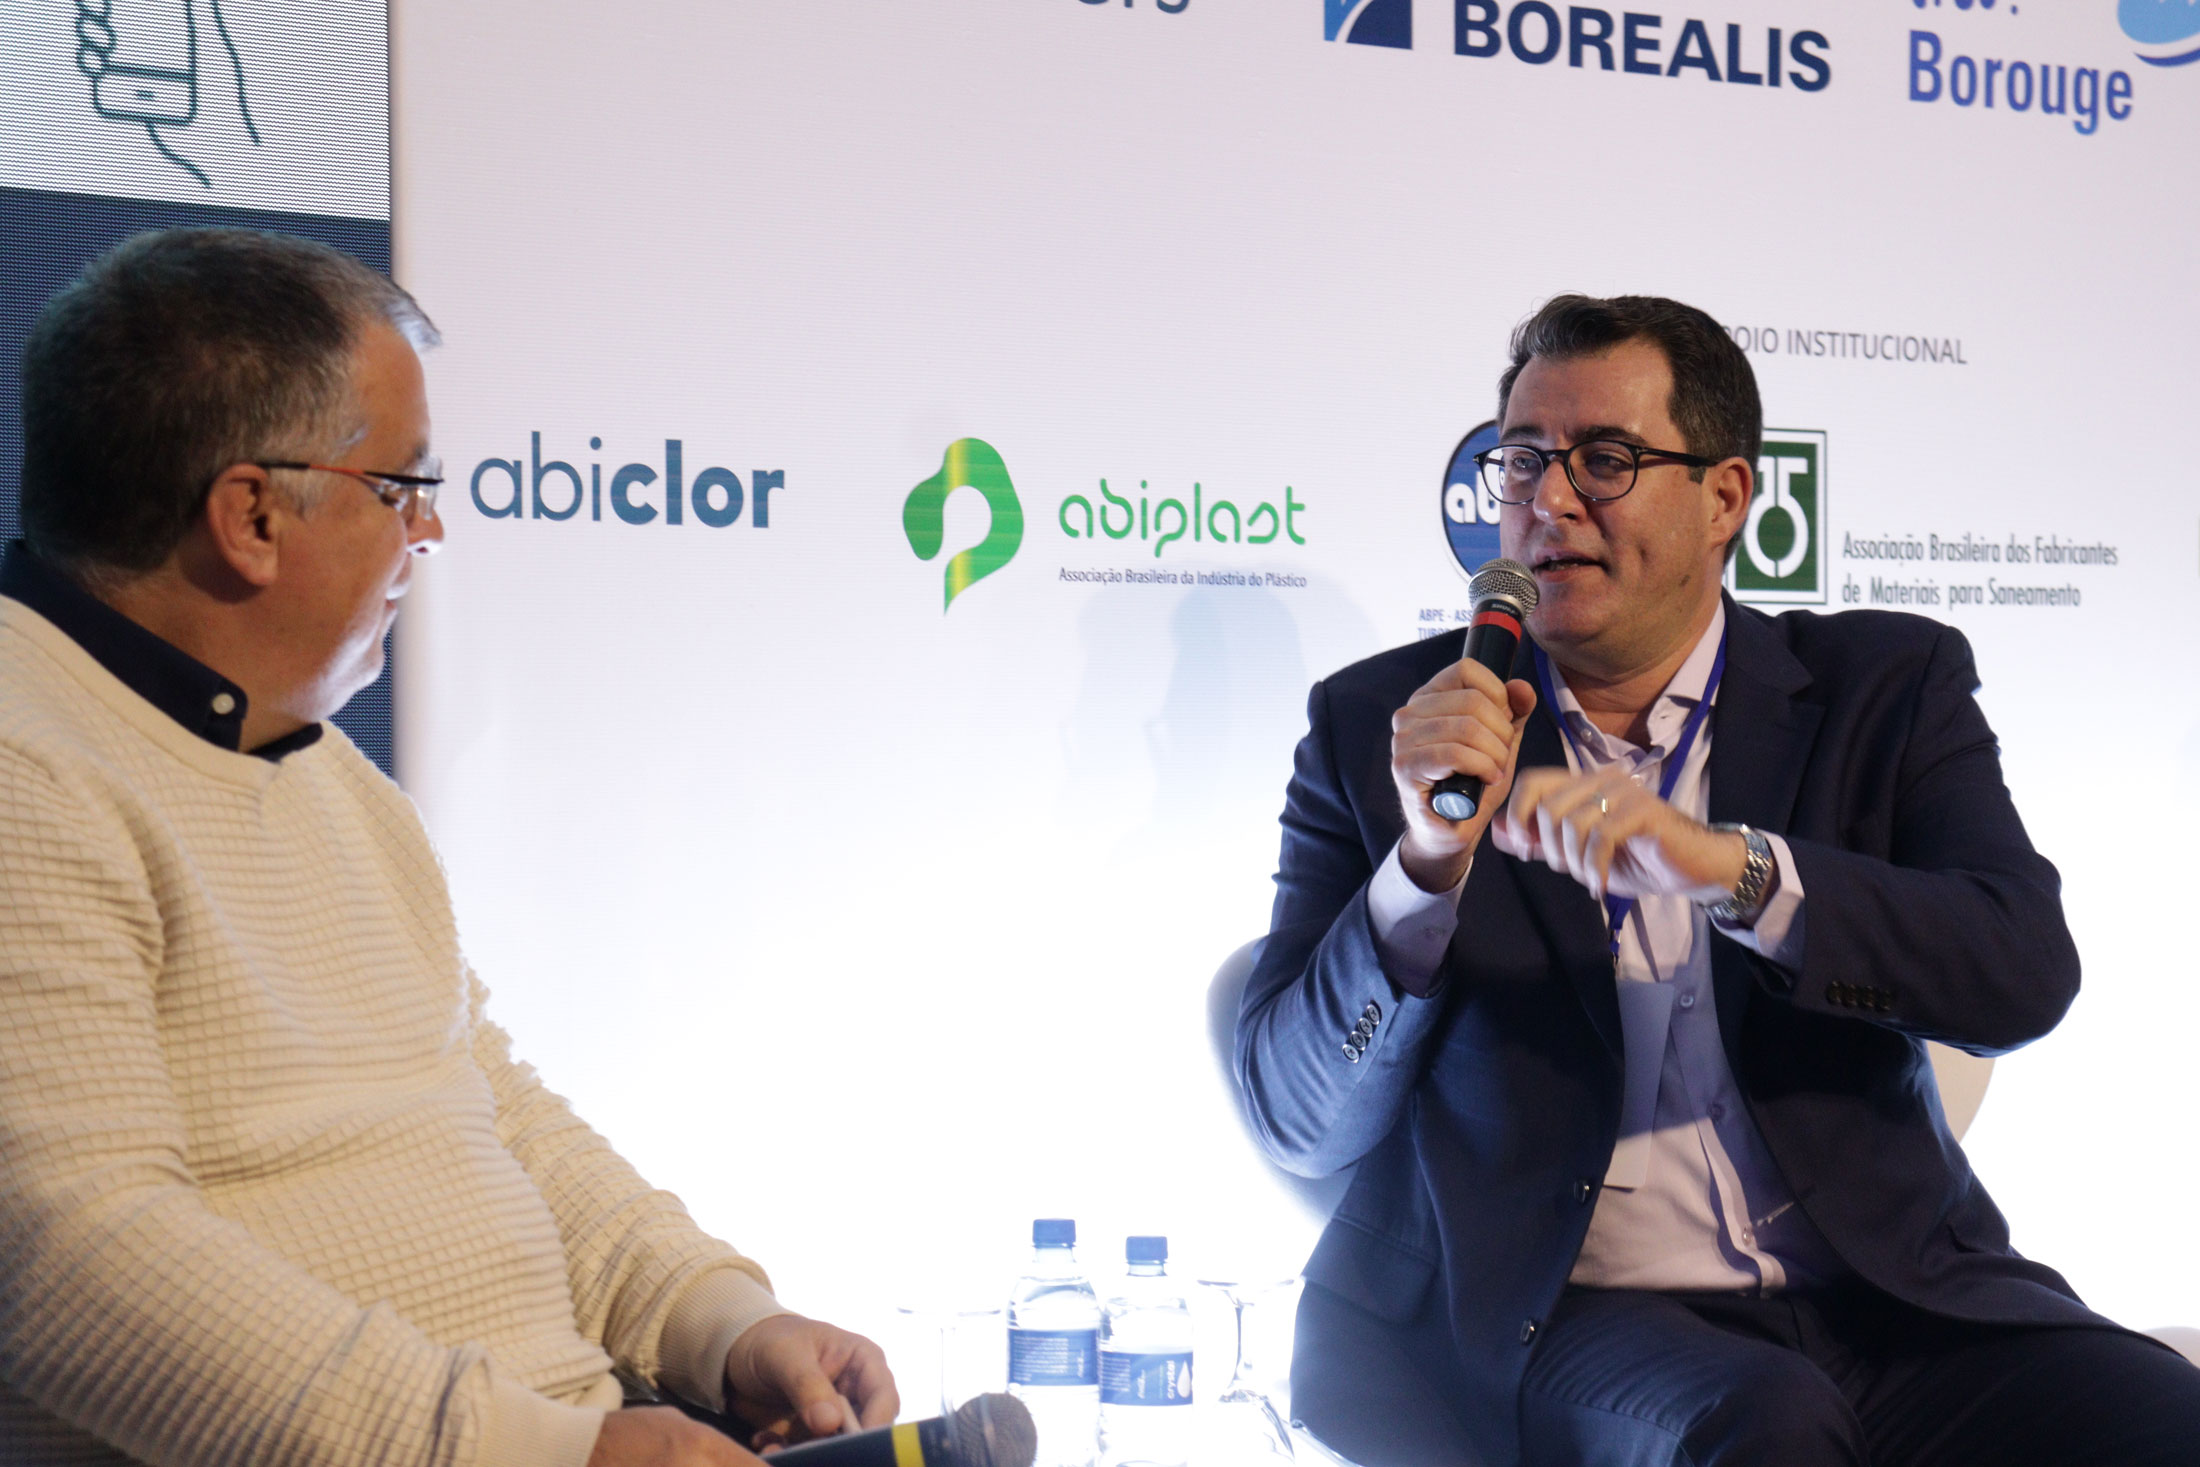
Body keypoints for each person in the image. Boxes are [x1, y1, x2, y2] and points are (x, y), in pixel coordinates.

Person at [1235, 294, 2200, 1465]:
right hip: (1570, 1321)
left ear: (1726, 498)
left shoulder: (1883, 688)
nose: (1547, 501)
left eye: (1604, 461)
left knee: (2162, 1414)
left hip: (1892, 1299)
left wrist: (1735, 871)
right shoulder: (1382, 727)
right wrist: (1424, 868)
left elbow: (2019, 974)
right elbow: (1294, 1116)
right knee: (1769, 1423)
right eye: (1522, 460)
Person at [0, 228, 896, 1467]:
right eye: (401, 487)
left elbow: (498, 1117)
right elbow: (71, 1265)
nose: (429, 531)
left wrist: (725, 1323)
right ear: (251, 516)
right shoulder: (27, 764)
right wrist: (550, 1452)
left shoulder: (330, 775)